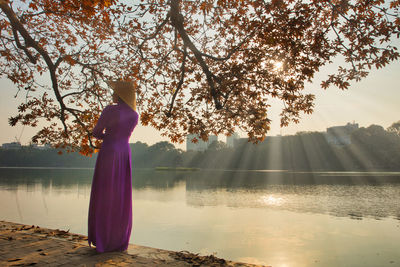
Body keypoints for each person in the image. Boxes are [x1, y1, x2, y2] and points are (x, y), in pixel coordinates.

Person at [88, 80, 139, 253]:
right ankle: (118, 240)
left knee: (105, 193)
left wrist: (107, 136)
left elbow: (96, 132)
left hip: (110, 151)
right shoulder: (134, 114)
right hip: (124, 152)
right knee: (120, 195)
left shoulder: (110, 110)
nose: (112, 94)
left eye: (114, 91)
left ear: (120, 93)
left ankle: (102, 238)